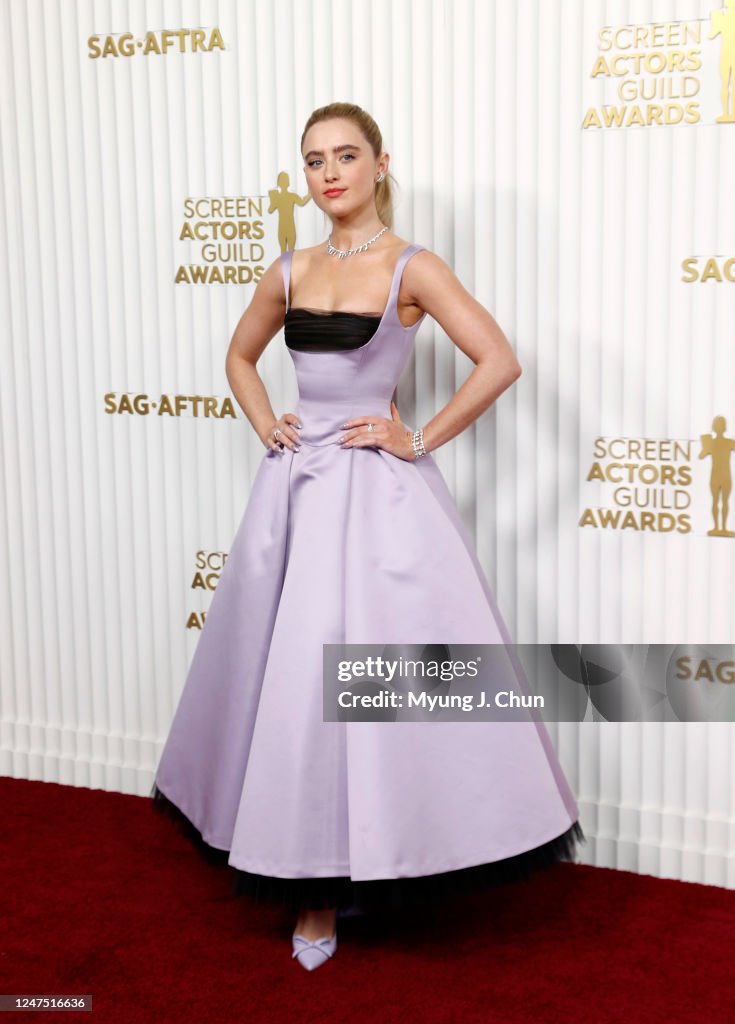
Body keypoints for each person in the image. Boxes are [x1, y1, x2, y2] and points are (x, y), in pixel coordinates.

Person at [151, 101, 586, 972]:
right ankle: (308, 889)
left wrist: (415, 436)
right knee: (288, 688)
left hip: (378, 496)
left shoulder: (411, 267)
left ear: (381, 164)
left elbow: (497, 360)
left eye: (346, 155)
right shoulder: (289, 268)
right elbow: (240, 357)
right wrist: (266, 419)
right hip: (295, 493)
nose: (329, 173)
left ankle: (389, 851)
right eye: (314, 161)